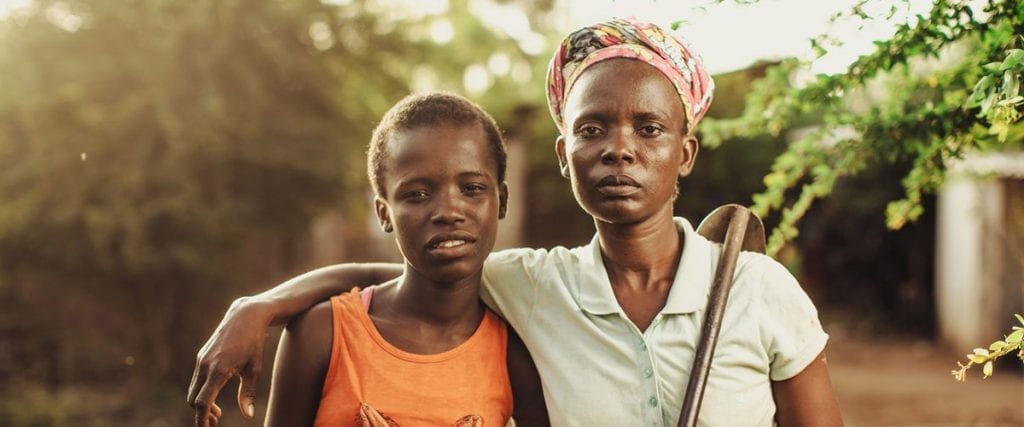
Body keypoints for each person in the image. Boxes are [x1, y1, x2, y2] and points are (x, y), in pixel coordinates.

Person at [189, 18, 842, 426]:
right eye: (592, 128)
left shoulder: (760, 290)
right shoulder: (534, 286)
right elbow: (394, 275)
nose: (620, 147)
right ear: (565, 155)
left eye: (649, 128)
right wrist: (261, 305)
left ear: (685, 153)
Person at [247, 92, 547, 426]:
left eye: (472, 188)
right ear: (384, 213)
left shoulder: (515, 351)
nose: (449, 212)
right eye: (416, 194)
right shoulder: (323, 335)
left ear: (501, 200)